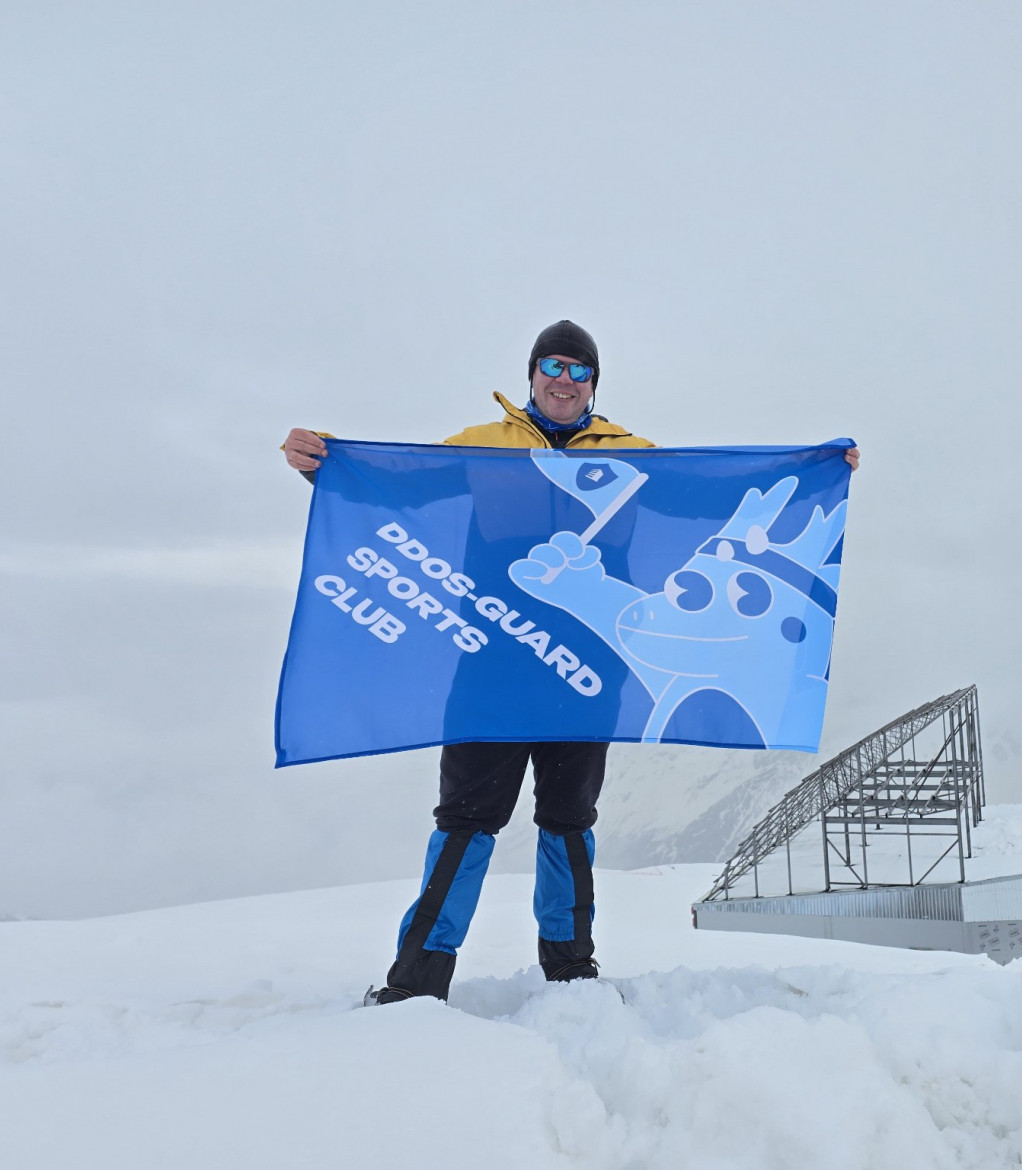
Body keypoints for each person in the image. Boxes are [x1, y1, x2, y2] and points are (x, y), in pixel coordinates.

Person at [282, 320, 859, 1004]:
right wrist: (323, 464)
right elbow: (403, 486)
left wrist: (814, 470)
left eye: (579, 371)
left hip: (586, 673)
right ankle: (416, 981)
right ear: (532, 375)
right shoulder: (484, 446)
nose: (564, 380)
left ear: (593, 384)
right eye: (553, 367)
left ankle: (570, 972)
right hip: (491, 666)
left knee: (568, 818)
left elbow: (707, 490)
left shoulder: (630, 454)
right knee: (467, 819)